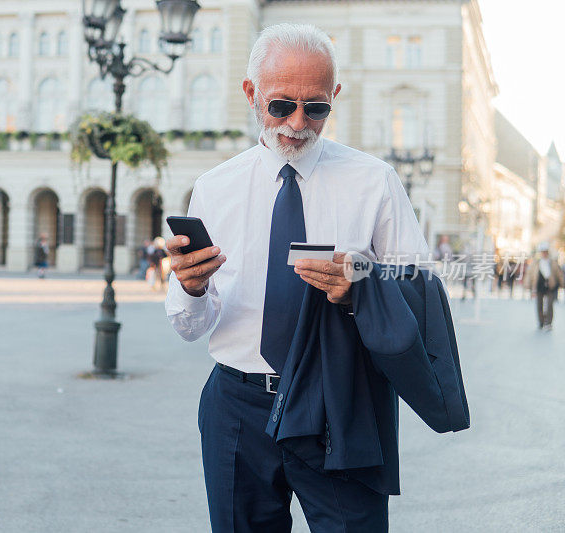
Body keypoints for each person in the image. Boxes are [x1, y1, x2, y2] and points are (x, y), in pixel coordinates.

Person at [165, 24, 431, 532]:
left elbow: (419, 290)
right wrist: (191, 288)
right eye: (281, 105)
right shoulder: (214, 188)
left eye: (317, 107)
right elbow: (189, 326)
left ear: (335, 96)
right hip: (237, 405)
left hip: (341, 399)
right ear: (250, 93)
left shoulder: (374, 181)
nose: (297, 123)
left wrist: (360, 283)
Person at [528, 242, 563, 331]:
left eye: (545, 251)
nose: (544, 253)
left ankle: (548, 323)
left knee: (550, 304)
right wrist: (530, 286)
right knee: (539, 304)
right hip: (539, 286)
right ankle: (541, 322)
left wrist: (562, 283)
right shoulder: (536, 263)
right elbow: (530, 275)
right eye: (542, 251)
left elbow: (559, 274)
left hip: (550, 286)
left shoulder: (552, 262)